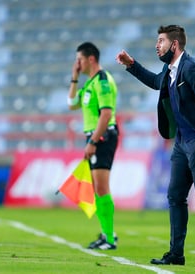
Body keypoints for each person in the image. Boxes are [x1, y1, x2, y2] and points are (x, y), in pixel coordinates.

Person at [116, 25, 195, 267]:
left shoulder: (194, 68)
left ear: (175, 44)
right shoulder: (169, 70)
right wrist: (131, 65)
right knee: (176, 196)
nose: (157, 45)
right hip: (181, 143)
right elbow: (155, 81)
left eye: (161, 41)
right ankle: (176, 254)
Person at [67, 42, 119, 250]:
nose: (77, 63)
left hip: (103, 136)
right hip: (96, 136)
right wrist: (74, 77)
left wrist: (93, 142)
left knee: (102, 187)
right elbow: (71, 104)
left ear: (90, 59)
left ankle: (109, 237)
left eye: (79, 59)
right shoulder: (89, 83)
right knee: (98, 188)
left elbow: (106, 114)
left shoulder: (103, 81)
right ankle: (108, 234)